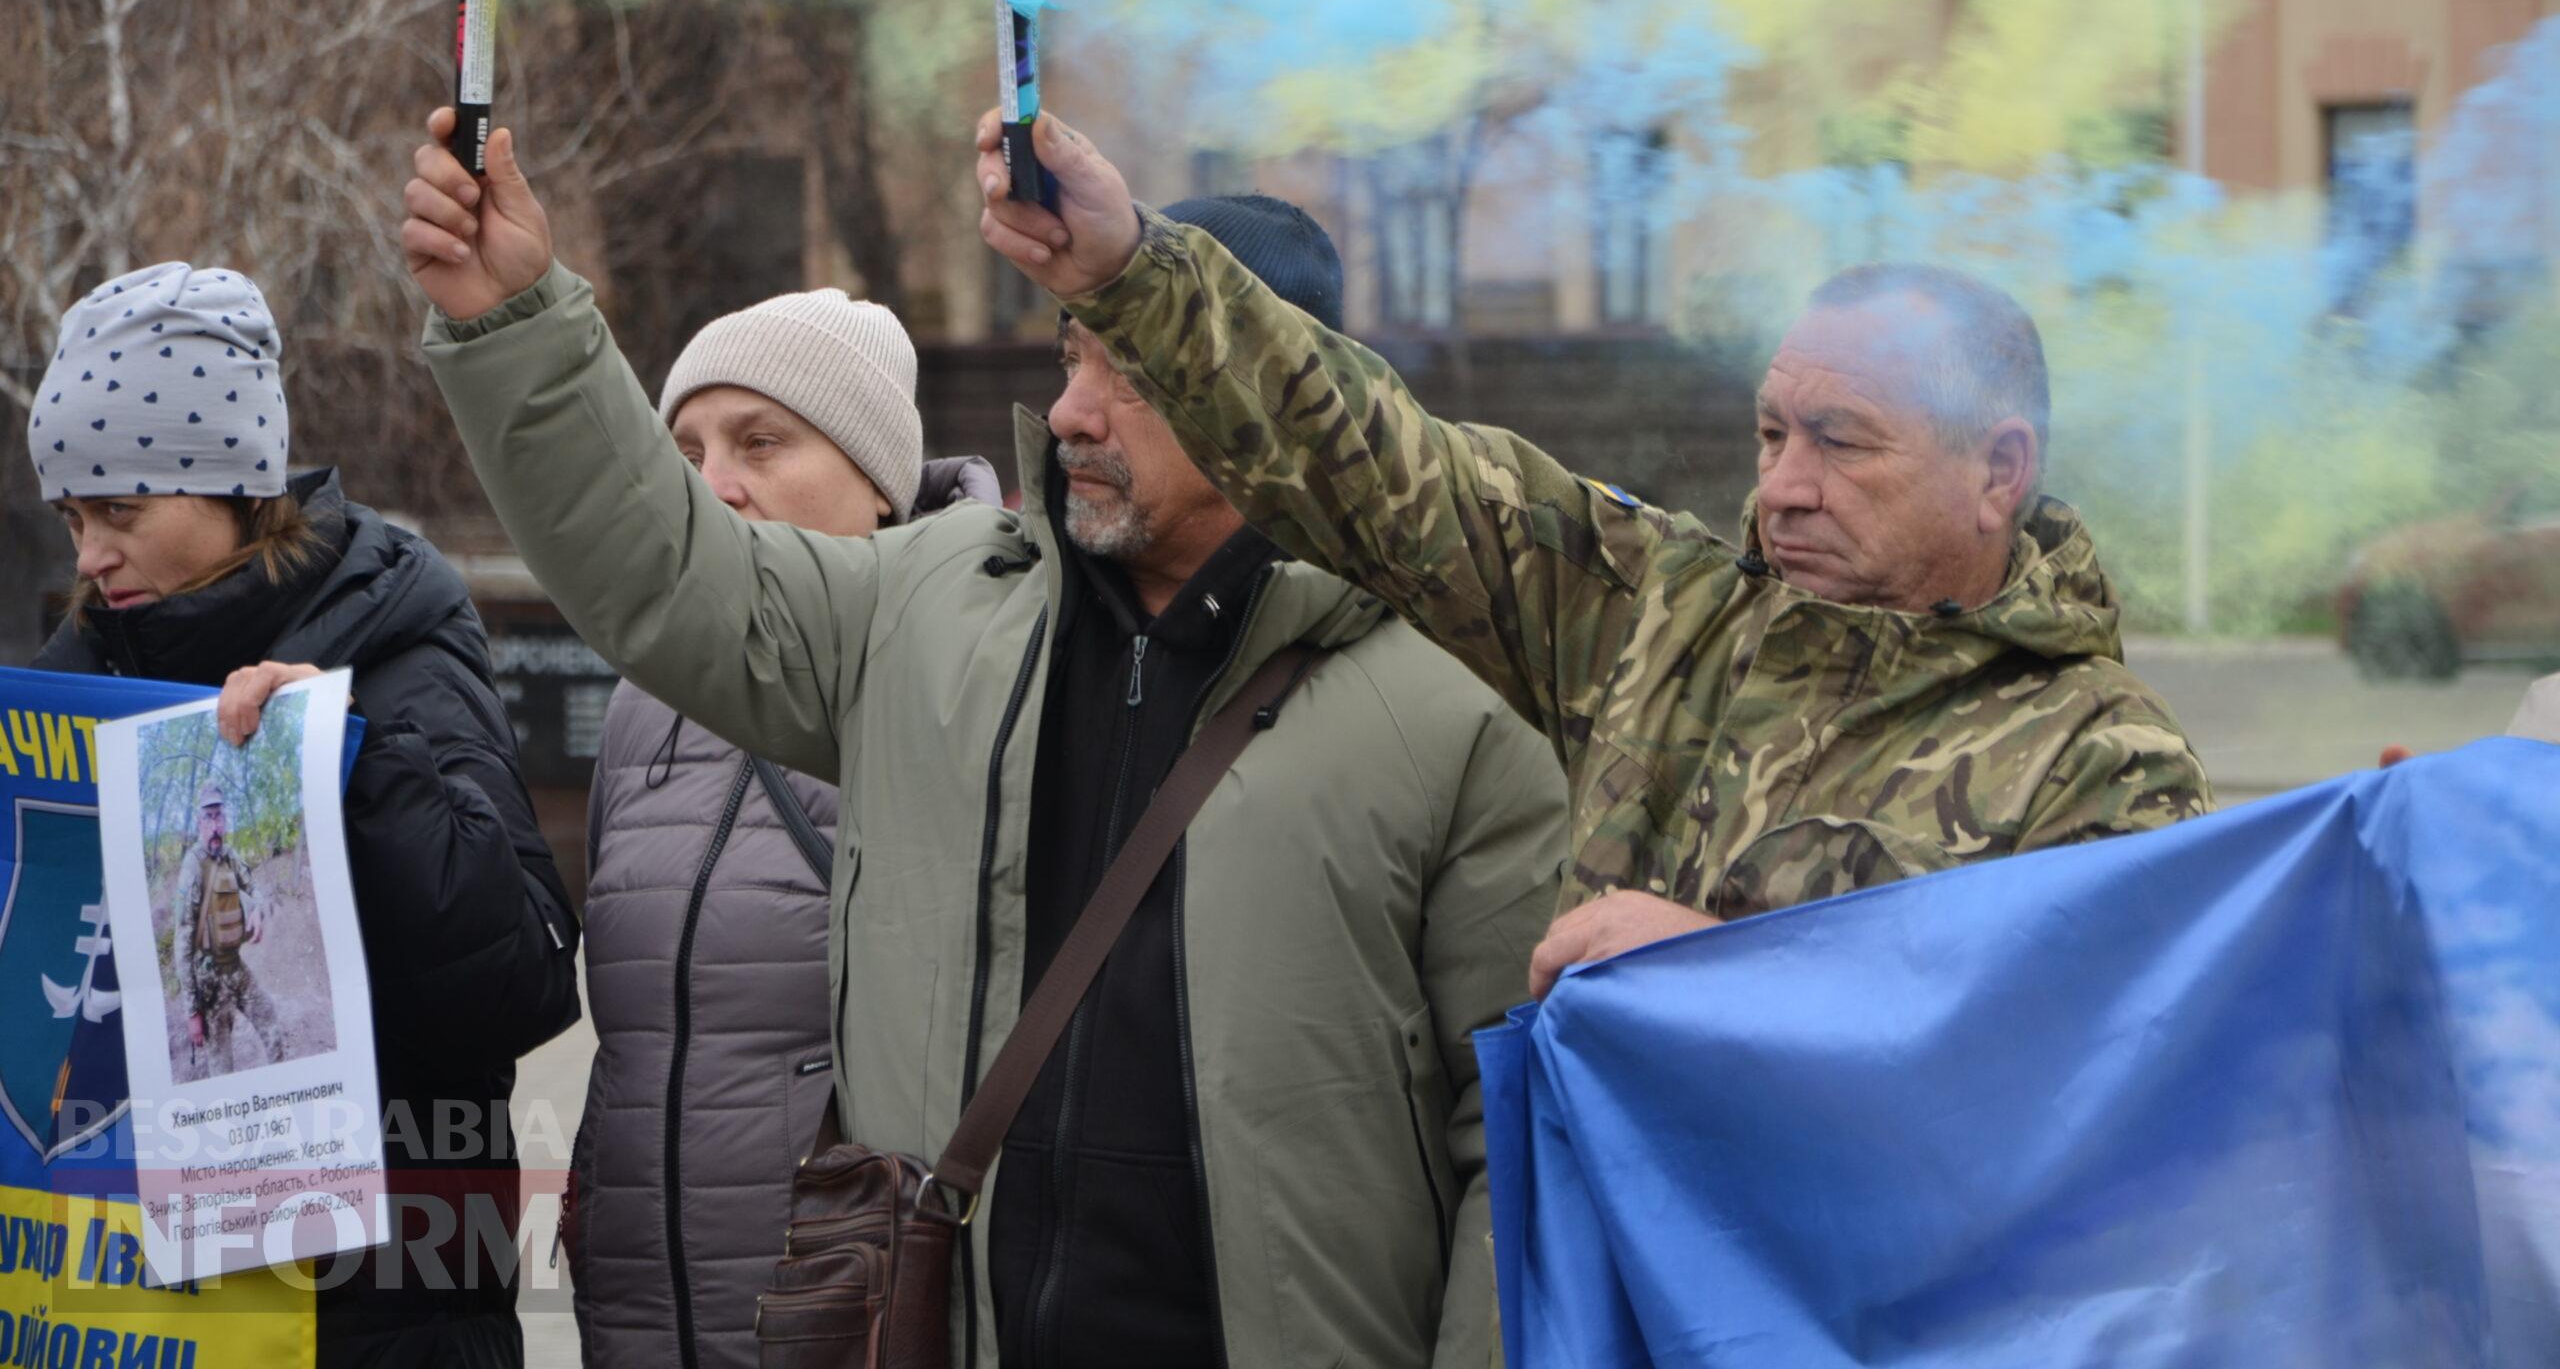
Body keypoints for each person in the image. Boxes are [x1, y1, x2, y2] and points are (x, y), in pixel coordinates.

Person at [401, 109, 1565, 1369]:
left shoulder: (1461, 698)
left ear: (1282, 396)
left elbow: (1516, 1146)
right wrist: (516, 321)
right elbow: (665, 572)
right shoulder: (925, 600)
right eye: (1070, 358)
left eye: (1129, 373)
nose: (1067, 413)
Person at [973, 113, 2216, 997]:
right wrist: (1134, 270)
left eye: (1842, 444)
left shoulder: (2105, 761)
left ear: (1999, 471)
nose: (1781, 488)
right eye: (1772, 433)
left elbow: (2071, 1087)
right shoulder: (1659, 615)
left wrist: (1720, 979)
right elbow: (1378, 463)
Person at [28, 261, 581, 1369]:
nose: (89, 555)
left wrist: (352, 767)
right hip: (124, 1319)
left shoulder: (399, 643)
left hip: (375, 1317)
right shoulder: (76, 676)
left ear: (235, 483)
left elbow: (520, 979)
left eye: (122, 510)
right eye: (74, 515)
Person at [570, 287, 1000, 1369]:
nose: (714, 484)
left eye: (762, 441)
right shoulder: (642, 703)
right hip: (637, 1323)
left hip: (844, 1327)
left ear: (881, 481)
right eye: (688, 447)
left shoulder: (967, 682)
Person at [172, 777, 280, 1074]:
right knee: (222, 1065)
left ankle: (286, 1094)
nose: (215, 825)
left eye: (219, 815)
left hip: (235, 968)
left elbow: (256, 887)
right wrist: (192, 1011)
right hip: (209, 982)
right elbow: (182, 944)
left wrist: (258, 909)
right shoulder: (192, 870)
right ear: (199, 822)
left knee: (270, 1021)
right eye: (209, 817)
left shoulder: (230, 856)